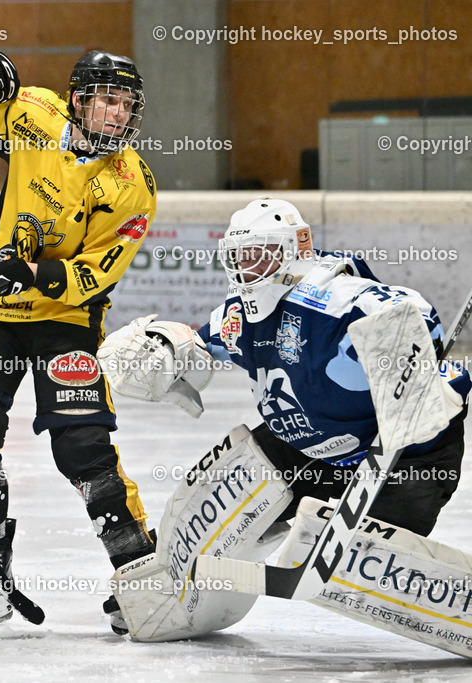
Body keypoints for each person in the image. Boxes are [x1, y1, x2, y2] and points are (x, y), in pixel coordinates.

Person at [98, 198, 470, 639]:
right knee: (212, 491)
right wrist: (166, 345)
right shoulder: (242, 314)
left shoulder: (333, 299)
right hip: (302, 448)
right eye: (238, 257)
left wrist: (426, 372)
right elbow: (202, 342)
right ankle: (166, 590)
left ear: (298, 246)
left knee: (362, 566)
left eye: (259, 254)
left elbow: (407, 309)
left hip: (401, 461)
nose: (246, 269)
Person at [0, 49, 159, 631]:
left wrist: (25, 272)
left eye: (126, 104)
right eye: (107, 100)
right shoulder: (34, 110)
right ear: (80, 99)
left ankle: (140, 570)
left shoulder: (132, 184)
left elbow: (94, 274)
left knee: (82, 448)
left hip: (66, 316)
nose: (117, 114)